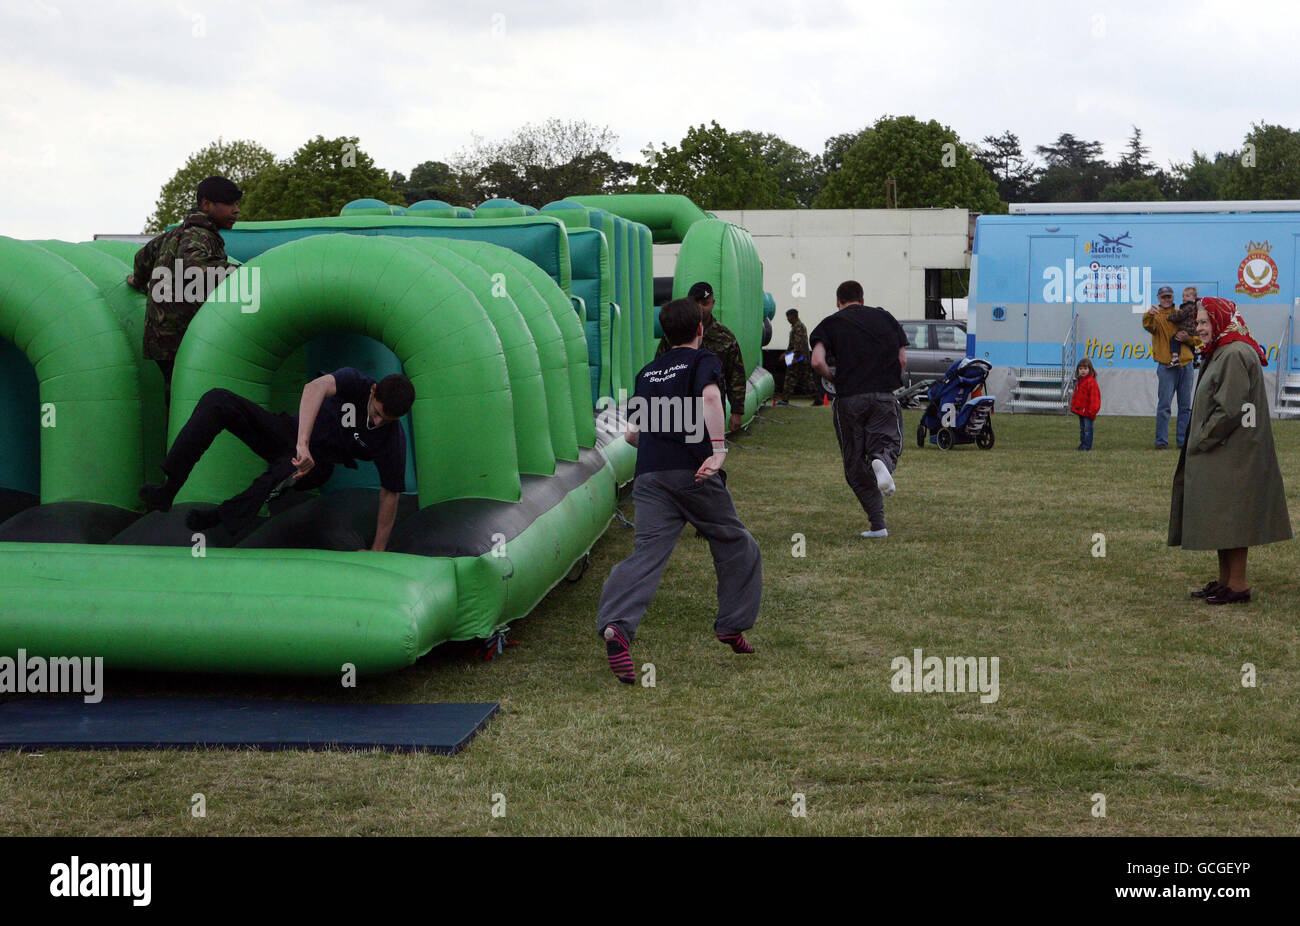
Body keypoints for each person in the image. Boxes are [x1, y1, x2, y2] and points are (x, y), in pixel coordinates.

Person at [597, 297, 762, 683]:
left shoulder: (647, 372)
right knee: (736, 543)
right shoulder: (704, 361)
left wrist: (662, 437)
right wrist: (718, 449)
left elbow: (633, 434)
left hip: (650, 476)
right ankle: (731, 624)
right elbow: (708, 397)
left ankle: (617, 626)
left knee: (647, 553)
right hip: (694, 472)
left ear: (665, 334)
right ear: (701, 330)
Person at [138, 368, 415, 550]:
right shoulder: (357, 382)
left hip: (318, 466)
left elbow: (390, 495)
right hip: (290, 434)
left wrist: (378, 552)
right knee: (217, 400)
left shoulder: (392, 439)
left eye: (385, 419)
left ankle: (223, 516)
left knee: (287, 468)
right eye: (376, 412)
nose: (376, 421)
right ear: (373, 391)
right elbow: (314, 388)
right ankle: (169, 487)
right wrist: (302, 443)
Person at [1168, 297, 1291, 604]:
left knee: (1233, 517)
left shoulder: (1235, 352)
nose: (1200, 328)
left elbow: (1230, 409)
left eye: (1205, 322)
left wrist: (1201, 437)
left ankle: (1237, 585)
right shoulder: (1225, 349)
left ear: (1221, 320)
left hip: (1234, 452)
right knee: (1223, 517)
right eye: (1197, 323)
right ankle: (1225, 581)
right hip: (1227, 450)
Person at [128, 176, 242, 397]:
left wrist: (138, 281)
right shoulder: (200, 235)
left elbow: (142, 257)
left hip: (161, 338)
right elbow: (196, 267)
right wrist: (244, 274)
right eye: (230, 203)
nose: (236, 210)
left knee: (177, 396)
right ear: (207, 204)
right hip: (181, 336)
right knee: (191, 398)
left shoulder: (175, 233)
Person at [810, 281, 908, 539]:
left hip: (848, 399)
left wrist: (833, 378)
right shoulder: (885, 318)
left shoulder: (830, 324)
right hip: (884, 397)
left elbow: (817, 361)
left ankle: (878, 524)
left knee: (854, 464)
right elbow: (902, 360)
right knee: (888, 443)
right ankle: (881, 461)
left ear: (838, 302)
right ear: (862, 300)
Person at [656, 281, 746, 433]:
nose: (700, 308)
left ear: (713, 303)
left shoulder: (725, 337)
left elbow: (735, 376)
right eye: (695, 303)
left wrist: (737, 412)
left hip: (711, 409)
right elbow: (660, 367)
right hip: (679, 407)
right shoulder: (674, 333)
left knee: (710, 453)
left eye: (704, 303)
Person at [1141, 284, 1196, 449]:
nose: (1166, 299)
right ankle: (1161, 442)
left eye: (1169, 296)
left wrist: (1187, 339)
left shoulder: (1182, 314)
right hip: (1166, 366)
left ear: (1173, 297)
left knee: (1185, 407)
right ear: (1158, 299)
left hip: (1186, 364)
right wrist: (1148, 314)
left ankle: (1183, 442)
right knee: (1164, 405)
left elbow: (1197, 339)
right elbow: (1147, 325)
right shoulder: (1156, 316)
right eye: (1163, 297)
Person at [775, 308, 814, 405]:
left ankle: (785, 400)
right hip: (800, 357)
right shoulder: (797, 327)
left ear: (793, 316)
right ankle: (818, 398)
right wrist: (786, 354)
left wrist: (794, 358)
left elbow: (798, 345)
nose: (787, 319)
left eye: (788, 317)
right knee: (807, 379)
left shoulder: (798, 327)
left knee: (790, 378)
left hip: (798, 358)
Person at [1070, 356, 1101, 450]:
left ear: (1090, 369)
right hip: (1081, 411)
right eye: (1080, 369)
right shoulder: (1079, 382)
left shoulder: (1091, 382)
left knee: (1088, 429)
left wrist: (1092, 411)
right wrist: (1074, 407)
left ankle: (1087, 446)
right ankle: (1083, 444)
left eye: (1085, 368)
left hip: (1088, 412)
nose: (1083, 371)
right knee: (1082, 429)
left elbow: (1095, 398)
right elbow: (1076, 396)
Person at [1165, 286, 1199, 370]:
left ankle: (1175, 357)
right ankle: (1195, 360)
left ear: (1194, 297)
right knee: (1190, 345)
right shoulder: (1195, 307)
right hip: (1193, 330)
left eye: (1187, 296)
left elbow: (1179, 316)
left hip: (1187, 329)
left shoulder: (1188, 307)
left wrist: (1169, 317)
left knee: (1175, 339)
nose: (1184, 298)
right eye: (1183, 296)